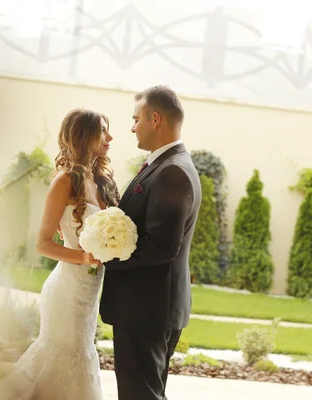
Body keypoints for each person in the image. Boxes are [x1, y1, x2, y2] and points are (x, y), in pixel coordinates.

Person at [100, 85, 202, 400]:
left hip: (146, 308)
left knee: (139, 395)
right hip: (151, 306)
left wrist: (106, 256)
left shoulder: (172, 171)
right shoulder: (168, 164)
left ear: (155, 119)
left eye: (136, 119)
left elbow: (161, 247)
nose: (132, 127)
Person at [12, 108, 118, 400]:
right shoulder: (64, 181)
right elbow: (43, 244)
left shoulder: (102, 181)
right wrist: (84, 258)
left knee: (81, 353)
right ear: (84, 136)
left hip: (89, 294)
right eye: (103, 130)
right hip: (66, 291)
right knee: (62, 355)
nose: (110, 137)